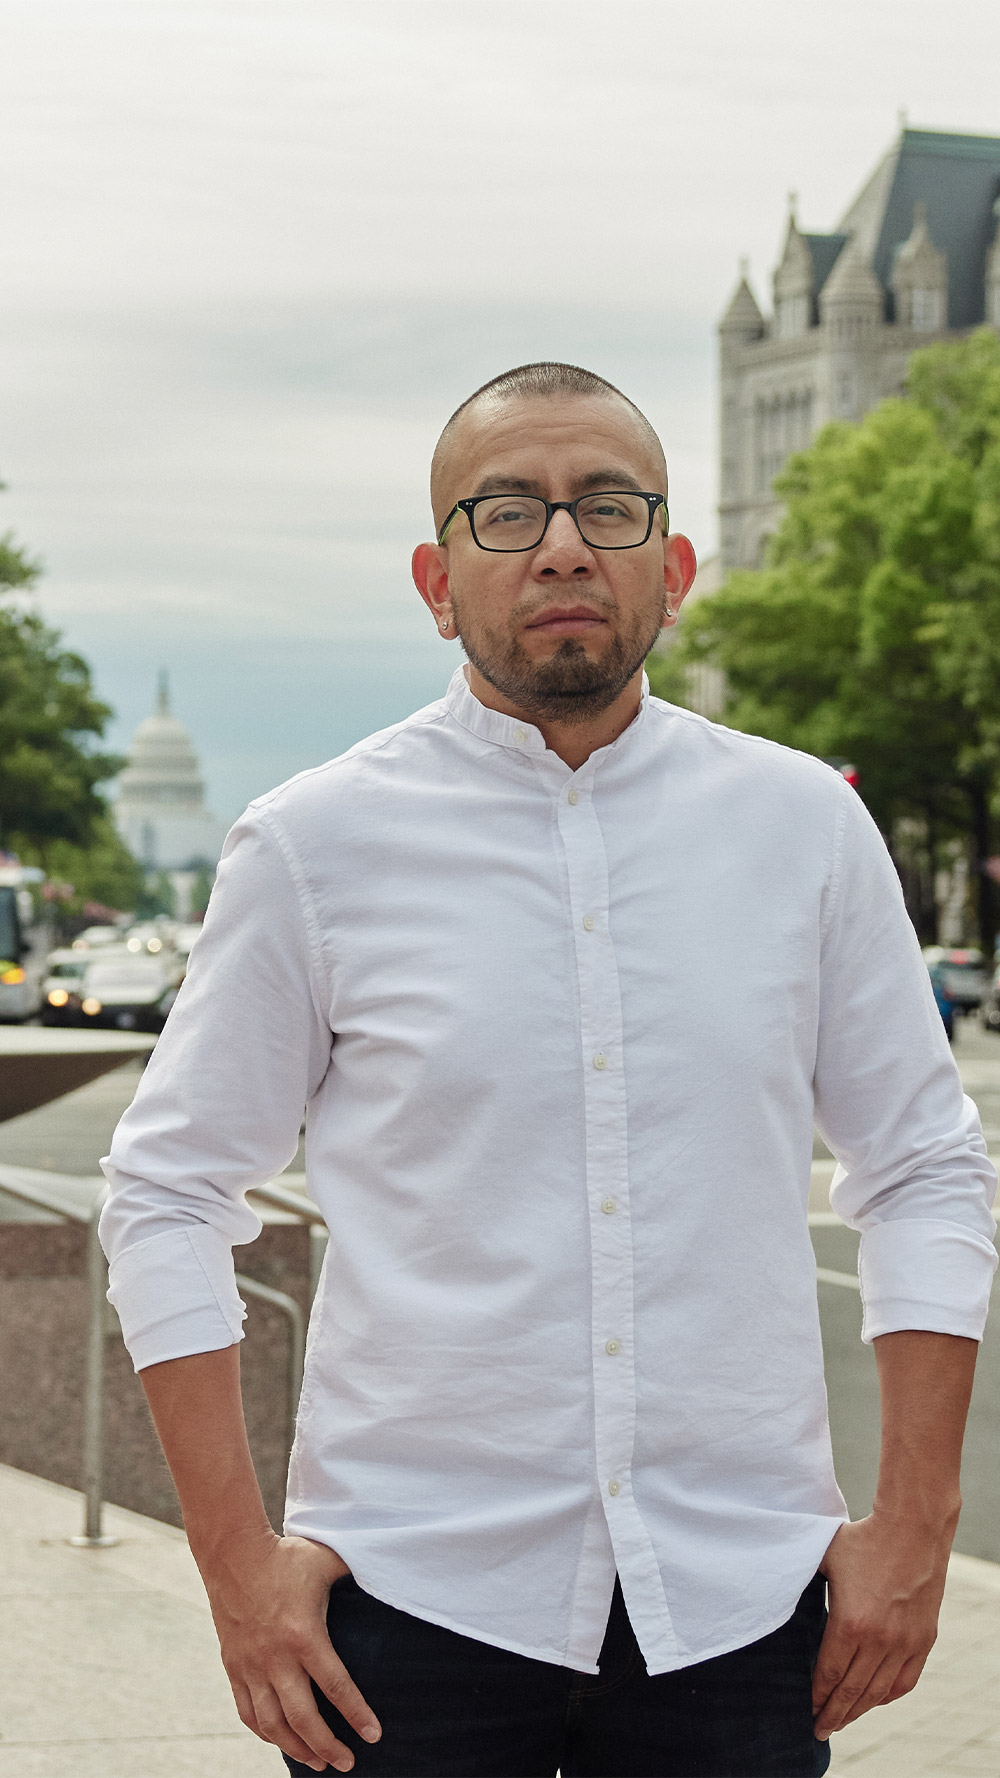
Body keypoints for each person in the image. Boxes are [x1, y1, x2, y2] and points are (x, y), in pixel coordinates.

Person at [100, 362, 997, 1778]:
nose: (565, 543)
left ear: (676, 562)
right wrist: (233, 1567)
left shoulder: (807, 831)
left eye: (610, 506)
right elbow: (164, 1191)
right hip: (408, 1612)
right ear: (435, 577)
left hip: (740, 1609)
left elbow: (928, 1168)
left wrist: (915, 1529)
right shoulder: (312, 844)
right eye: (507, 511)